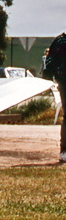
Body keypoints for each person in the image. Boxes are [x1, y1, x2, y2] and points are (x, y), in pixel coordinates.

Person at [42, 33, 66, 163]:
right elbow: (50, 61)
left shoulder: (59, 41)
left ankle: (64, 150)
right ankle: (64, 150)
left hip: (62, 79)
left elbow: (50, 61)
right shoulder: (60, 41)